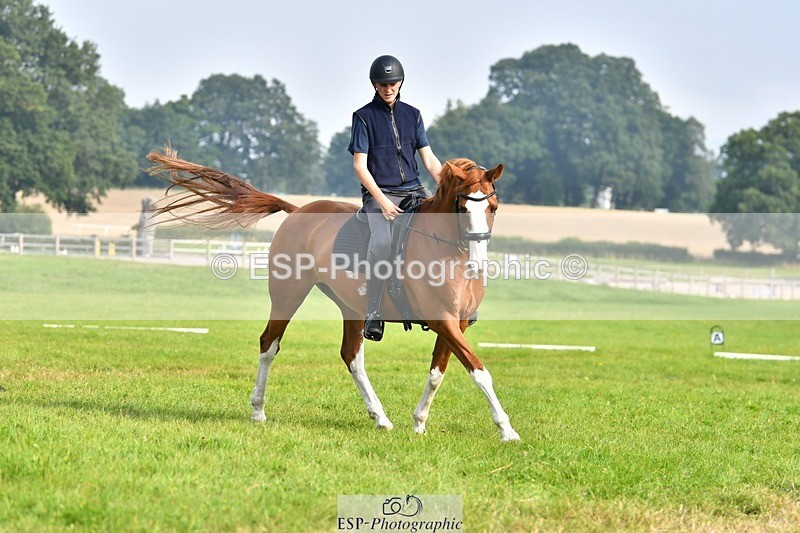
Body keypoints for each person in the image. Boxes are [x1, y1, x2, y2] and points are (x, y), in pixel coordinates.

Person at [348, 54, 442, 342]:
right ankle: (374, 312)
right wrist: (383, 201)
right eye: (383, 83)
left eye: (393, 82)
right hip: (380, 194)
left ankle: (449, 302)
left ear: (401, 83)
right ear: (374, 85)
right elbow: (359, 167)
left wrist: (448, 186)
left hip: (414, 191)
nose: (389, 88)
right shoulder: (363, 117)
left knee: (444, 230)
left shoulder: (413, 115)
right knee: (383, 241)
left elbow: (429, 160)